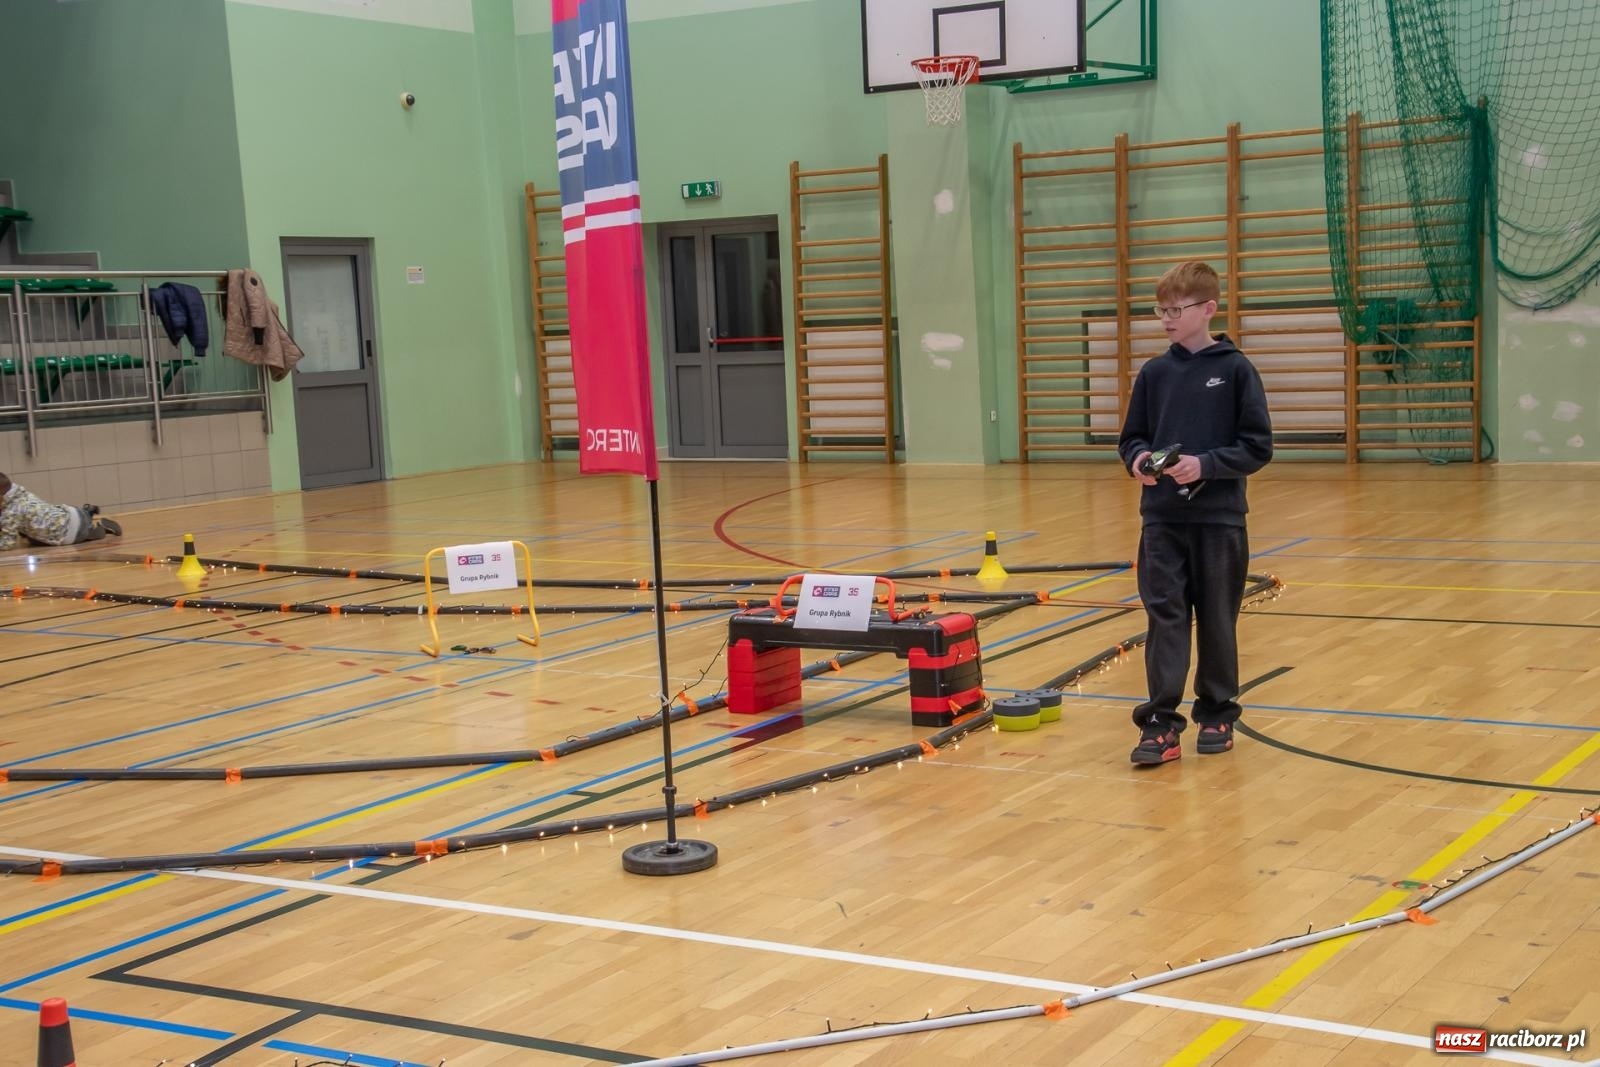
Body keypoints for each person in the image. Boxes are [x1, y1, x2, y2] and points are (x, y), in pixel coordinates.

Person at [1117, 262, 1273, 765]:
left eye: (1176, 310)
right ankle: (1161, 723)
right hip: (1161, 519)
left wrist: (1205, 464)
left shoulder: (1235, 370)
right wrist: (1140, 460)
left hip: (1219, 520)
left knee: (1217, 619)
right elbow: (1133, 438)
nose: (1166, 318)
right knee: (1165, 617)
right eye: (1160, 310)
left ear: (1208, 309)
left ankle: (1218, 712)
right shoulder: (1155, 374)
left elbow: (1257, 446)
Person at [0, 472, 123, 551]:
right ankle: (88, 512)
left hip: (72, 534)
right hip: (72, 513)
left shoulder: (11, 512)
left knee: (90, 534)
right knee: (31, 534)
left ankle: (100, 528)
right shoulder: (19, 491)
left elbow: (7, 544)